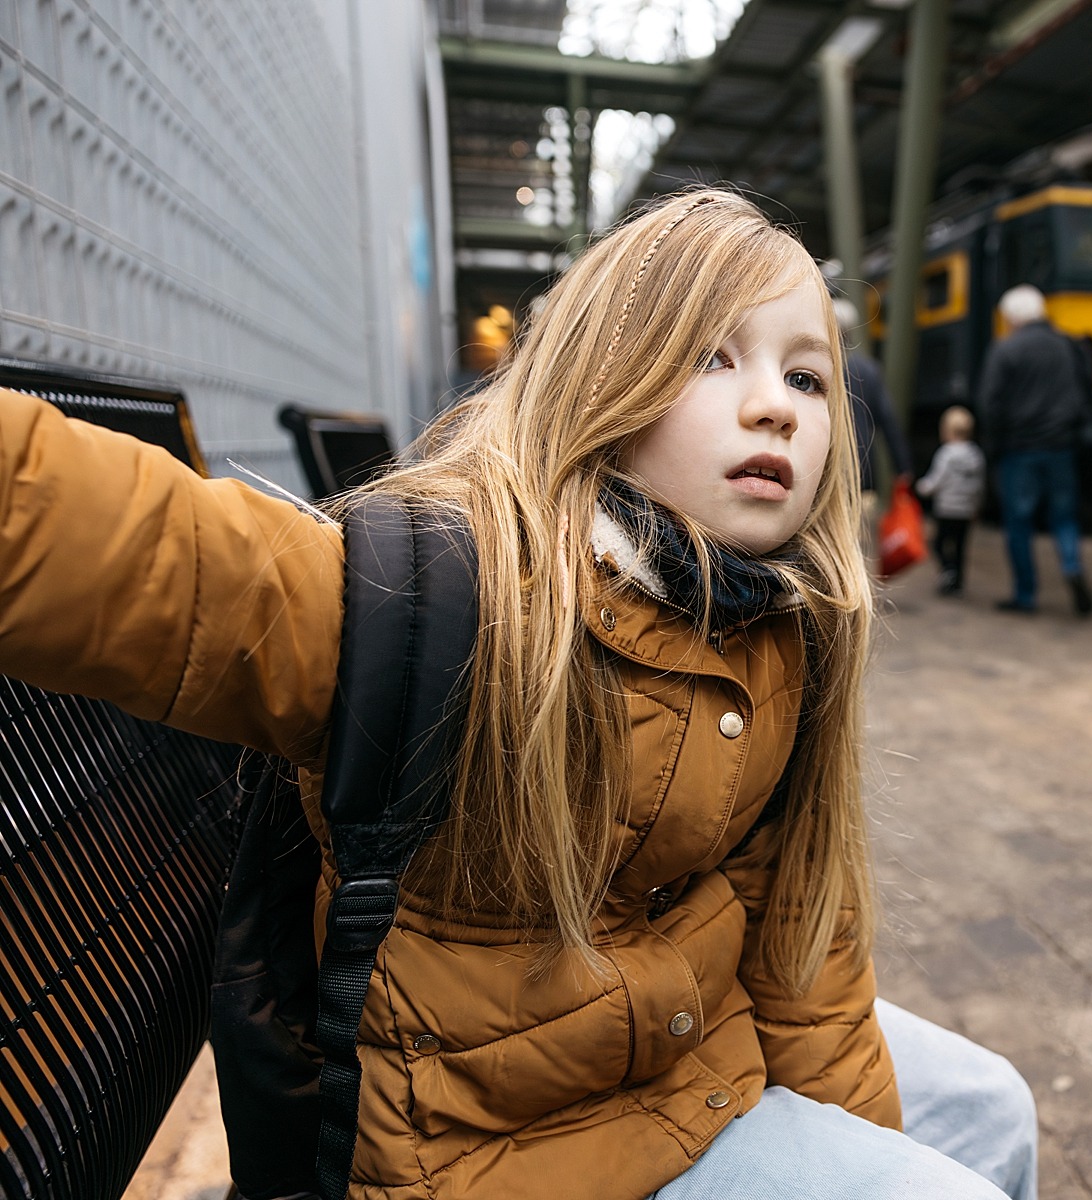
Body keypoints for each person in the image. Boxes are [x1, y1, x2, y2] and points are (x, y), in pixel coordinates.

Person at [0, 191, 1037, 1200]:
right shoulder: (451, 601)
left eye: (807, 378)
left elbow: (803, 952)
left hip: (673, 1063)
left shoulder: (776, 633)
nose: (775, 402)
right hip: (489, 1152)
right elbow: (136, 548)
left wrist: (852, 1139)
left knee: (990, 1108)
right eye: (709, 356)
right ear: (603, 381)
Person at [976, 284, 1092, 616]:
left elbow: (989, 403)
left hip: (1020, 451)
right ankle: (1071, 567)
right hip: (1060, 447)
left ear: (1012, 318)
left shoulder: (1006, 350)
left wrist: (994, 445)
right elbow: (1085, 393)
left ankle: (1025, 595)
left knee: (1019, 523)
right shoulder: (1067, 347)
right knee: (1064, 517)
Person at [833, 297, 913, 540]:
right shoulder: (867, 370)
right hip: (861, 466)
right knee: (855, 537)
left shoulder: (815, 366)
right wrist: (903, 467)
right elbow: (888, 420)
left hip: (826, 466)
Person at [913, 405, 985, 595]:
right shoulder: (976, 455)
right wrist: (976, 505)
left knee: (938, 543)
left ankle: (948, 571)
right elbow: (978, 484)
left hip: (946, 509)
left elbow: (936, 480)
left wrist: (921, 488)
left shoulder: (945, 454)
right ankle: (958, 581)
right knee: (960, 546)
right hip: (966, 510)